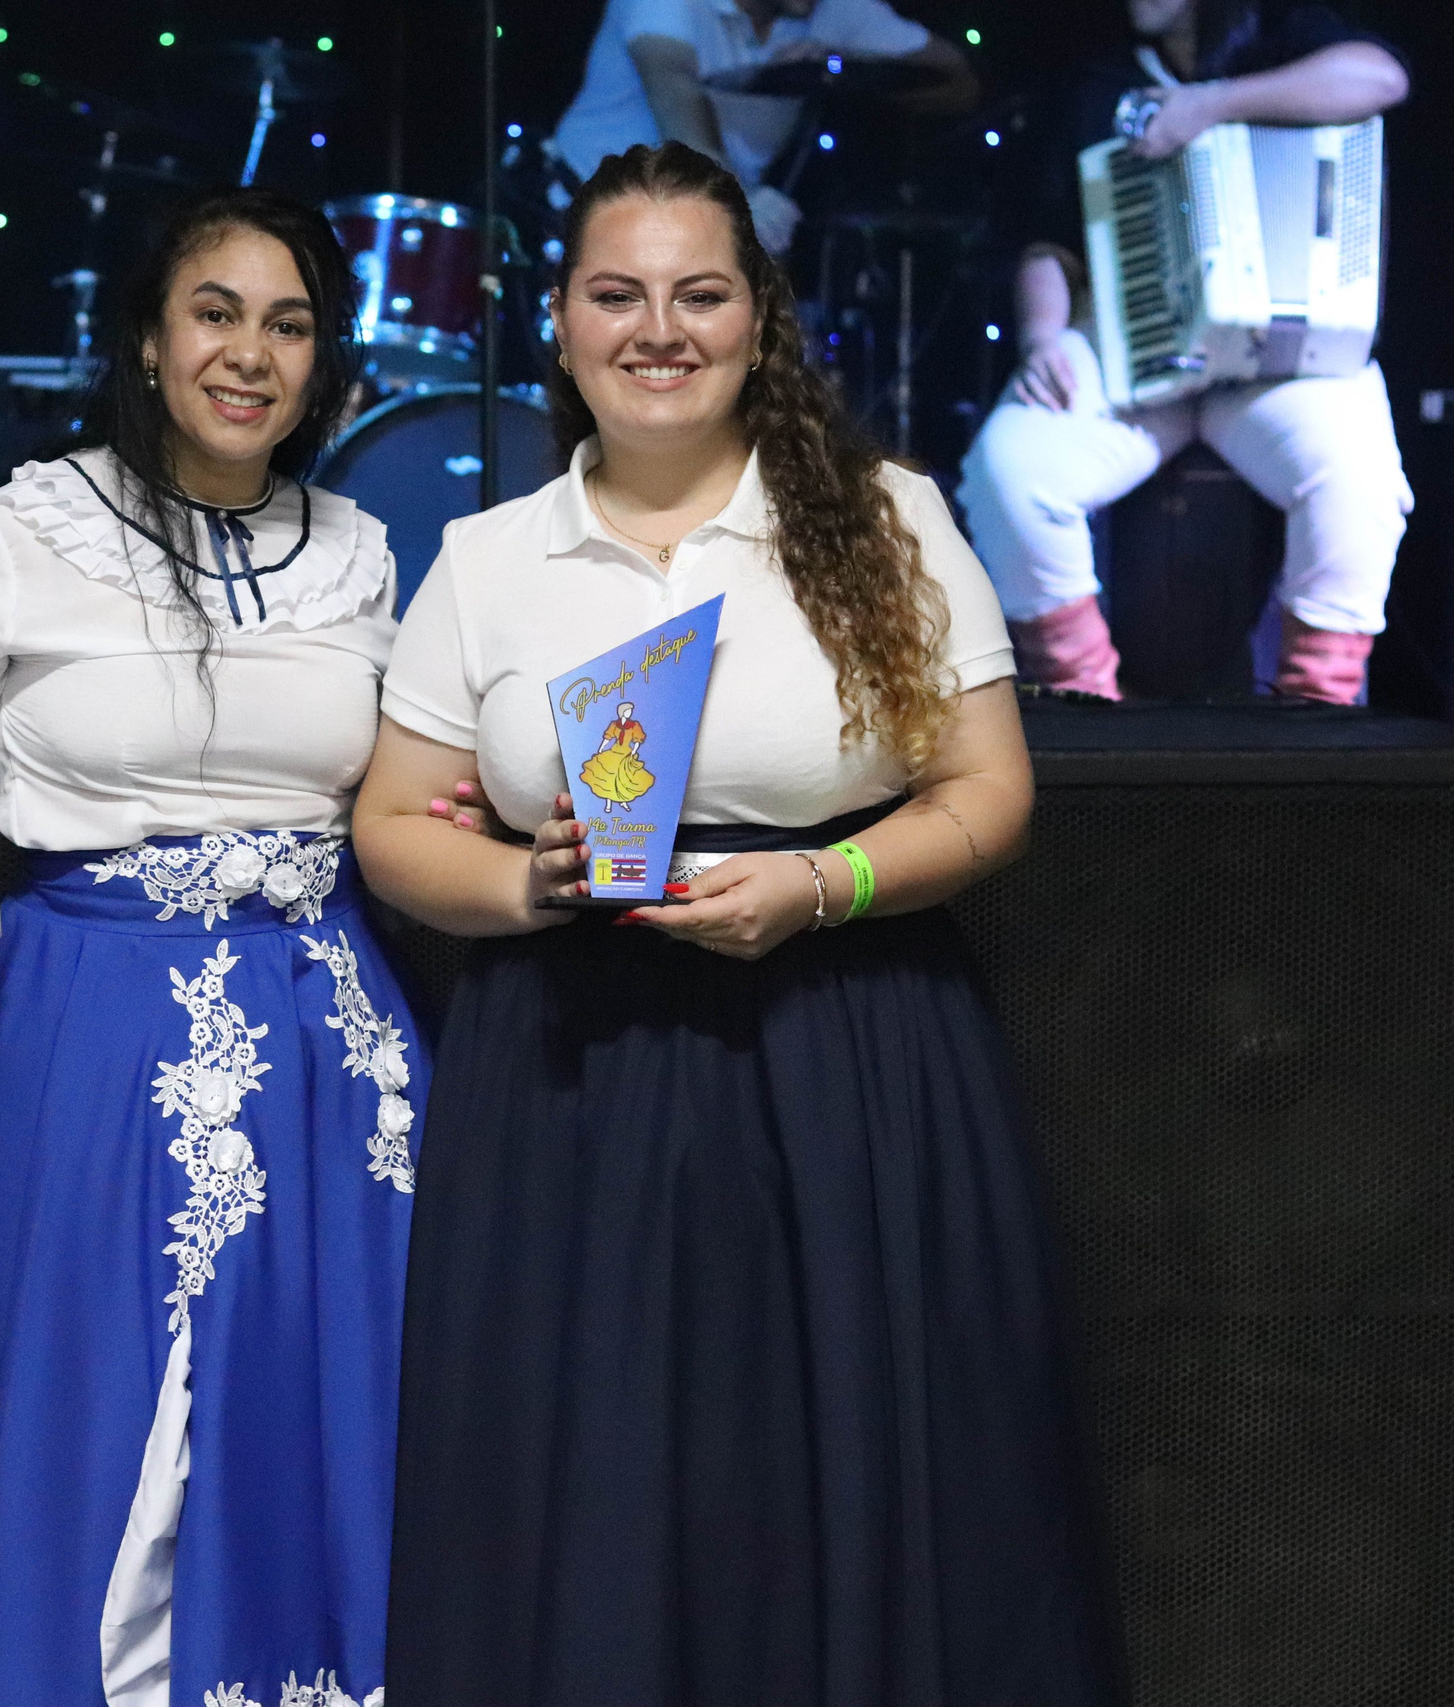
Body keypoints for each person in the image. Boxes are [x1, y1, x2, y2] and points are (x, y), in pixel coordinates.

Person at [356, 142, 1124, 1704]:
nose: (660, 329)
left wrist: (817, 884)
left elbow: (991, 790)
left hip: (840, 1044)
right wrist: (523, 883)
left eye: (700, 294)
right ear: (559, 324)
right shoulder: (488, 557)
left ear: (757, 322)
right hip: (564, 1067)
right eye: (617, 294)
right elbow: (387, 820)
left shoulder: (886, 515)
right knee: (593, 1473)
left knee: (837, 1459)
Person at [0, 187, 425, 1707]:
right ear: (150, 341)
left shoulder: (361, 553)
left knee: (306, 1428)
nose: (251, 354)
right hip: (82, 1042)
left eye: (289, 324)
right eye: (216, 313)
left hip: (326, 1056)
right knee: (95, 1429)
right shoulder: (16, 536)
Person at [955, 0, 1410, 703]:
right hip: (1139, 353)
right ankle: (1086, 701)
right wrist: (1043, 336)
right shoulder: (1095, 84)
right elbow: (1047, 239)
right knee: (1008, 473)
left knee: (1360, 486)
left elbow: (1381, 78)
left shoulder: (1281, 38)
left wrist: (1214, 105)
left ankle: (1316, 715)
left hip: (1280, 362)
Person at [548, 0, 977, 255]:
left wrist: (841, 62)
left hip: (704, 226)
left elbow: (958, 79)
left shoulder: (828, 8)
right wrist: (737, 199)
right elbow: (676, 89)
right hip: (587, 211)